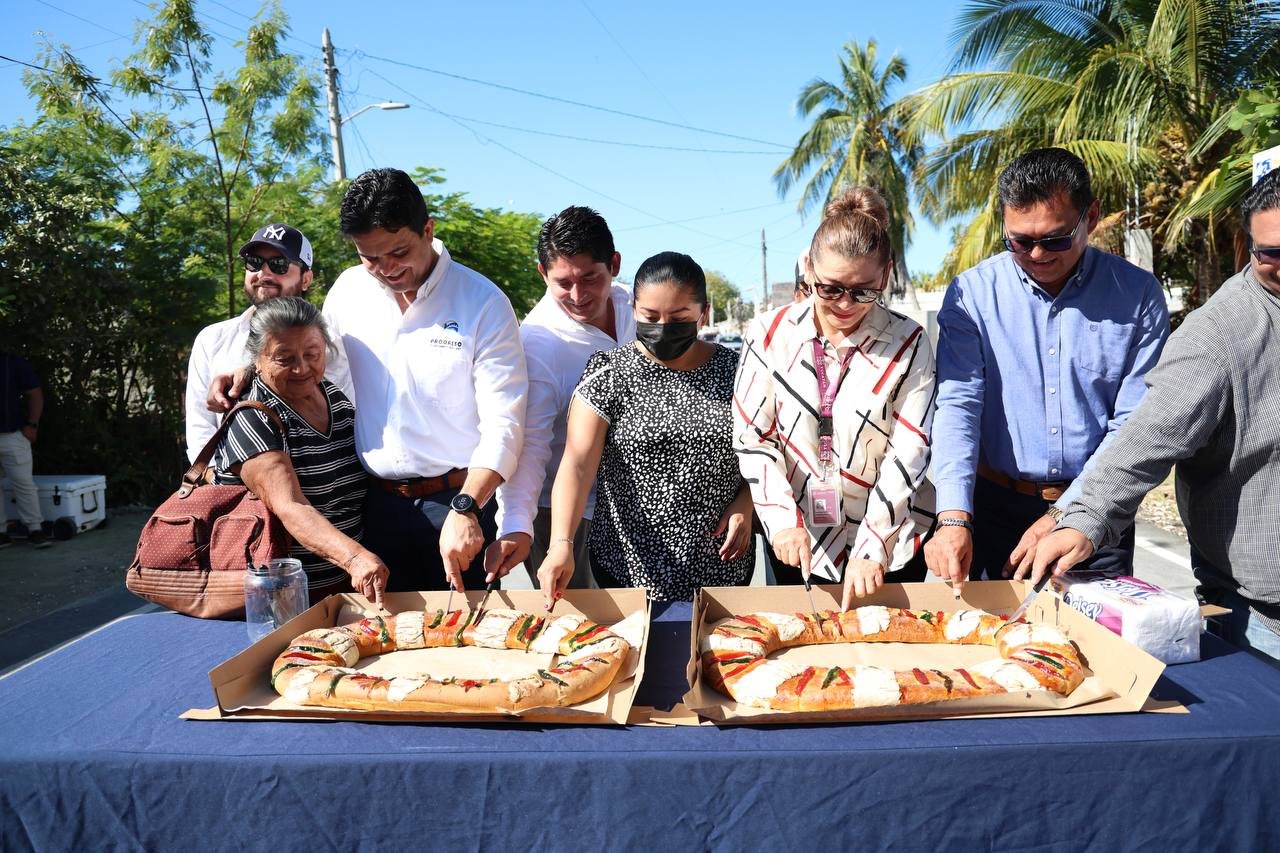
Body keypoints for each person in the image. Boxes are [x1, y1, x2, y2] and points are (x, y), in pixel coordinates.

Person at [1031, 169, 1280, 667]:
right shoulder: (1220, 332)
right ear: (1247, 246)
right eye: (1271, 253)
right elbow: (1149, 435)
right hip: (1263, 620)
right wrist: (1083, 518)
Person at [926, 147, 1169, 589]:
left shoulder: (1138, 296)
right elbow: (959, 406)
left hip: (1097, 510)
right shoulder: (973, 295)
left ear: (1090, 217)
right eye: (1019, 241)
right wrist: (953, 518)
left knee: (1095, 650)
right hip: (995, 508)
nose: (1037, 254)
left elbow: (1134, 425)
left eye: (1055, 239)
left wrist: (1066, 512)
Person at [323, 168, 527, 593]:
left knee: (469, 642)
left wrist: (467, 507)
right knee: (382, 642)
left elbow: (504, 423)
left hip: (458, 503)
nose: (385, 269)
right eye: (370, 257)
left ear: (428, 230)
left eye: (398, 252)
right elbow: (319, 373)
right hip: (374, 506)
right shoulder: (347, 292)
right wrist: (252, 373)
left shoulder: (483, 302)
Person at [734, 187, 935, 609]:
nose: (845, 304)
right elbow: (755, 437)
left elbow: (910, 447)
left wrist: (875, 538)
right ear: (808, 267)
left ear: (886, 276)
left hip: (888, 542)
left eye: (863, 292)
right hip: (798, 539)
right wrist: (782, 520)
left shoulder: (909, 343)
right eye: (830, 289)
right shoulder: (770, 335)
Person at [539, 251, 754, 605]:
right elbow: (577, 463)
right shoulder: (609, 372)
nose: (663, 327)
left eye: (679, 316)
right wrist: (561, 542)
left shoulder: (740, 372)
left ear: (703, 313)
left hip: (722, 568)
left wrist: (747, 502)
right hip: (628, 570)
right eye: (650, 316)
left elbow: (768, 452)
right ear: (634, 309)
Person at [489, 206, 635, 589]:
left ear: (615, 264)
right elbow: (531, 444)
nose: (578, 295)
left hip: (639, 502)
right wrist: (517, 525)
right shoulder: (537, 344)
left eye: (590, 278)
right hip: (566, 515)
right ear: (543, 274)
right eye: (563, 282)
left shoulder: (638, 309)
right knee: (582, 629)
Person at [213, 297, 388, 605]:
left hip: (349, 591)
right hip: (284, 598)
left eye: (312, 354)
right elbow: (290, 506)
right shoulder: (253, 416)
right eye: (284, 358)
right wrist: (356, 559)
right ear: (257, 359)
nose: (302, 368)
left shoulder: (333, 397)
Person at [185, 223, 321, 462]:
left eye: (279, 264)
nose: (264, 274)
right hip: (231, 488)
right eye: (255, 262)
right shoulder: (212, 339)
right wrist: (216, 479)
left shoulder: (329, 341)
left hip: (313, 490)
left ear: (306, 279)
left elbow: (341, 414)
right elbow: (200, 426)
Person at [0, 350, 49, 549]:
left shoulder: (10, 361)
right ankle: (1, 534)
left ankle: (35, 529)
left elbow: (34, 392)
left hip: (13, 434)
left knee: (23, 483)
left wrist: (32, 424)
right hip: (14, 434)